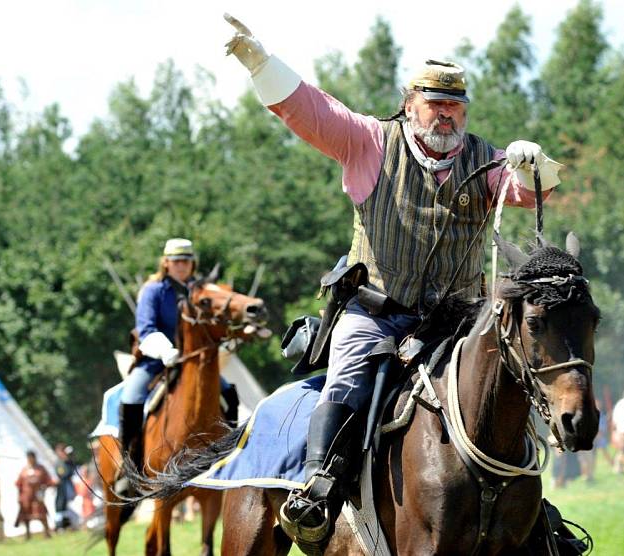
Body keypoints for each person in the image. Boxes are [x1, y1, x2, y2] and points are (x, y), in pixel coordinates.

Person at [223, 14, 562, 551]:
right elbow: (312, 110)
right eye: (435, 104)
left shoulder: (487, 162)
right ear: (411, 105)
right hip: (377, 313)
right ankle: (317, 488)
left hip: (457, 320)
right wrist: (261, 63)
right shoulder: (369, 143)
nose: (446, 115)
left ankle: (534, 513)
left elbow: (541, 189)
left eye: (455, 106)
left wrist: (533, 161)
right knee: (348, 375)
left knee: (502, 386)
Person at [115, 237, 239, 496]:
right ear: (167, 263)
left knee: (228, 392)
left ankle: (231, 456)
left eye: (186, 261)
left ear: (192, 264)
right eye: (177, 261)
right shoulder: (153, 290)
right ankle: (129, 467)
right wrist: (165, 351)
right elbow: (146, 328)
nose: (182, 266)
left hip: (193, 364)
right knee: (131, 396)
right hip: (156, 360)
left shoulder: (200, 289)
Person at [14, 450, 54, 540]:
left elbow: (48, 480)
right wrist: (19, 497)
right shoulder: (24, 470)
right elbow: (19, 484)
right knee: (26, 516)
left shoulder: (40, 468)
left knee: (41, 514)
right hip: (26, 497)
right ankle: (27, 534)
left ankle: (46, 533)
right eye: (29, 458)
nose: (30, 459)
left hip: (37, 496)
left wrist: (44, 488)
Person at [53, 444, 79, 532]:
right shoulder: (59, 462)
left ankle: (72, 524)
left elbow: (74, 469)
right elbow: (63, 474)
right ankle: (61, 526)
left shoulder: (67, 461)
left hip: (69, 486)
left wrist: (69, 459)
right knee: (62, 506)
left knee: (71, 505)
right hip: (63, 487)